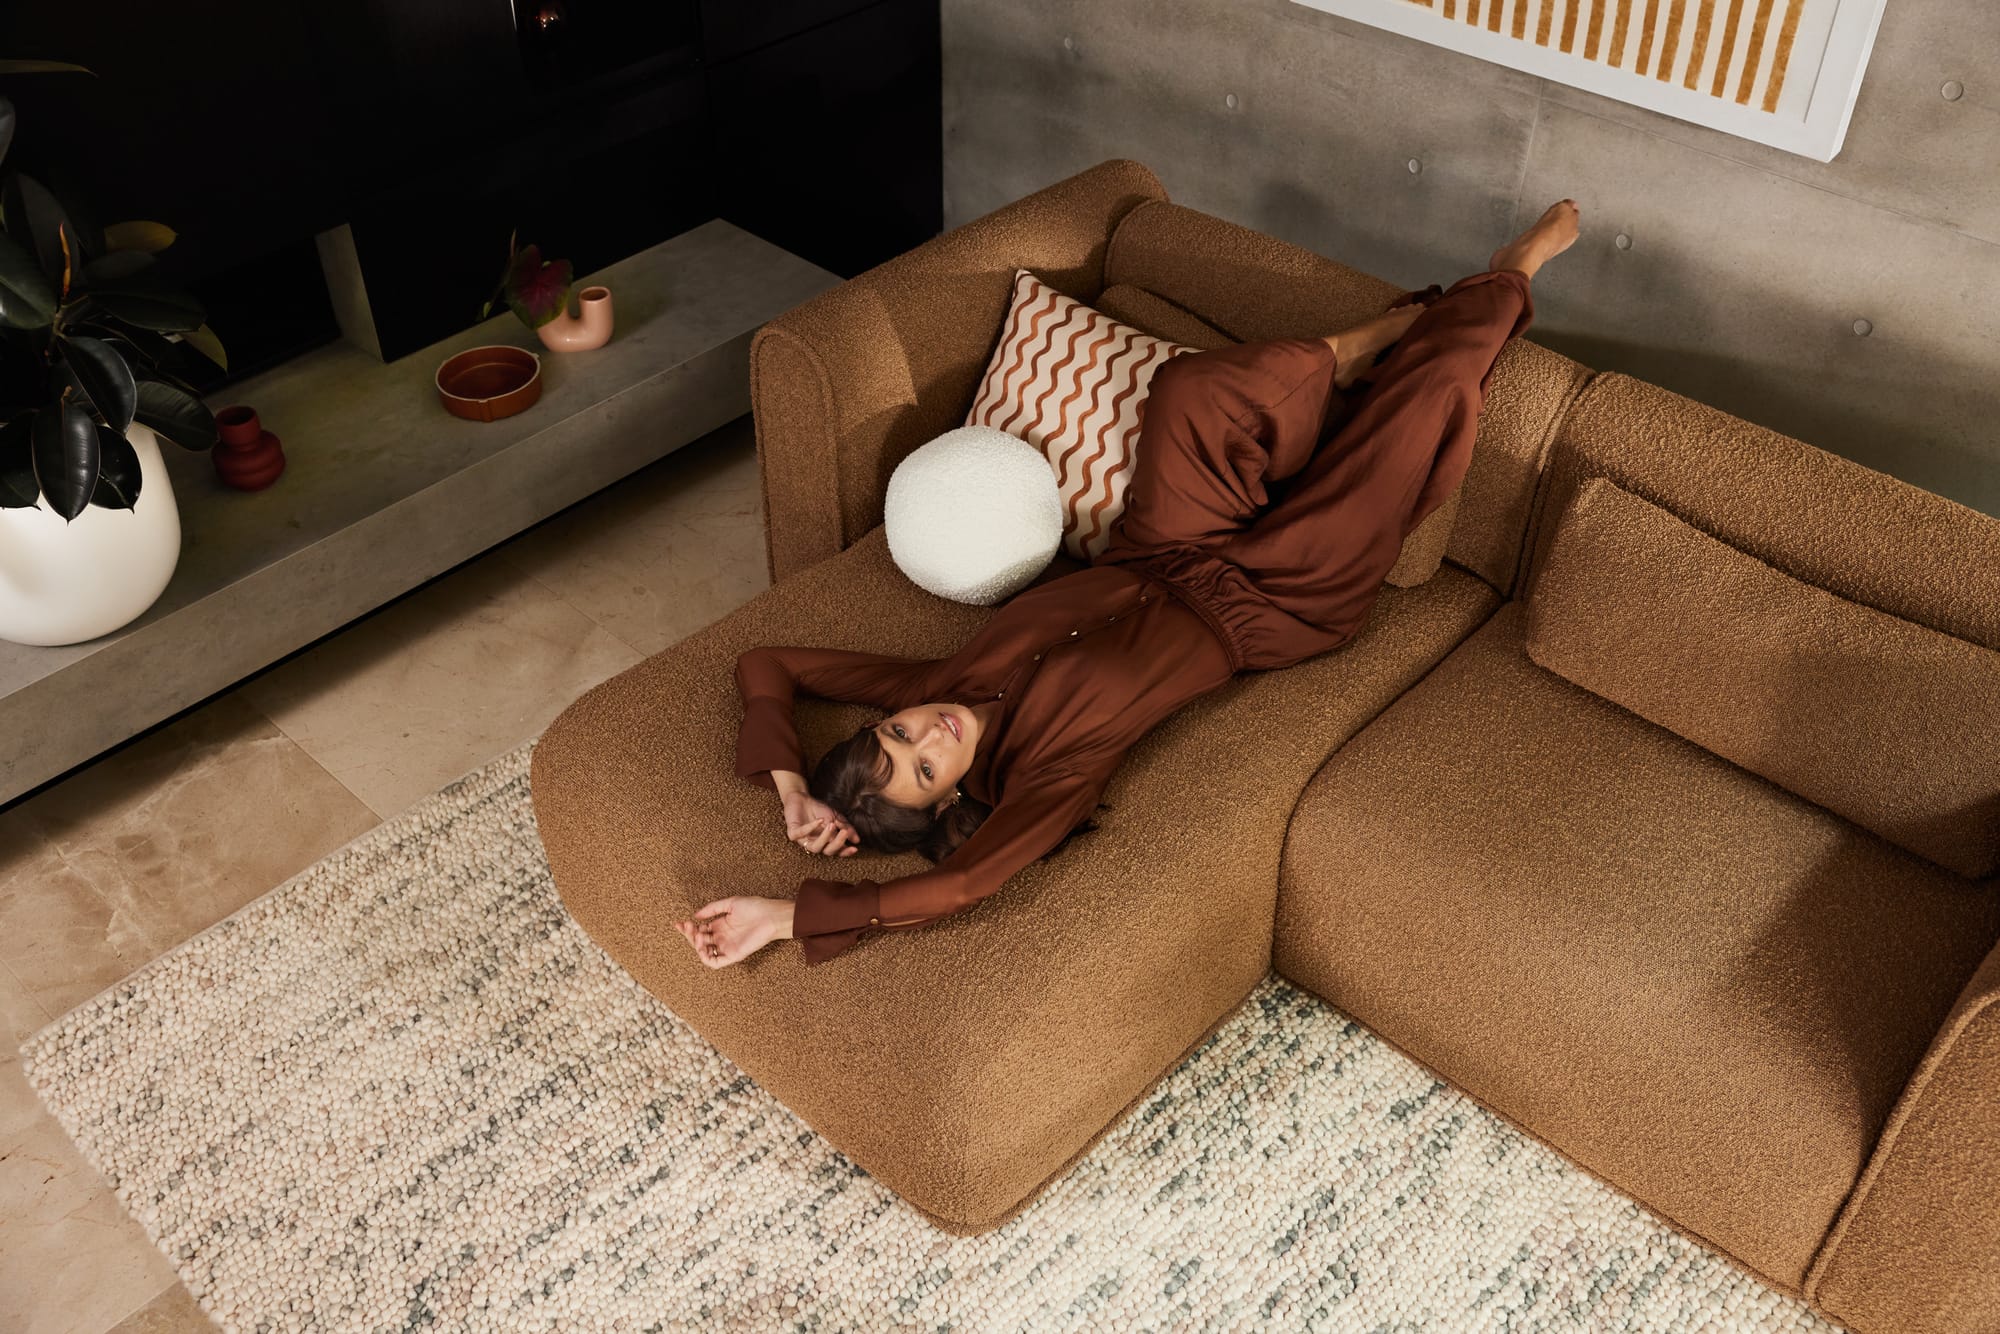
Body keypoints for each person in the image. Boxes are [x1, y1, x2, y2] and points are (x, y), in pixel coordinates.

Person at [676, 199, 1582, 968]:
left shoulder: (931, 688)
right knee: (1413, 423)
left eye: (899, 733)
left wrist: (793, 788)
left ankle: (1366, 340)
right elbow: (956, 885)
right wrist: (788, 916)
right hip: (1272, 608)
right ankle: (1505, 277)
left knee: (1190, 395)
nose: (929, 734)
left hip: (1159, 549)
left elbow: (768, 662)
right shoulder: (1045, 780)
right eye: (924, 769)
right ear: (949, 799)